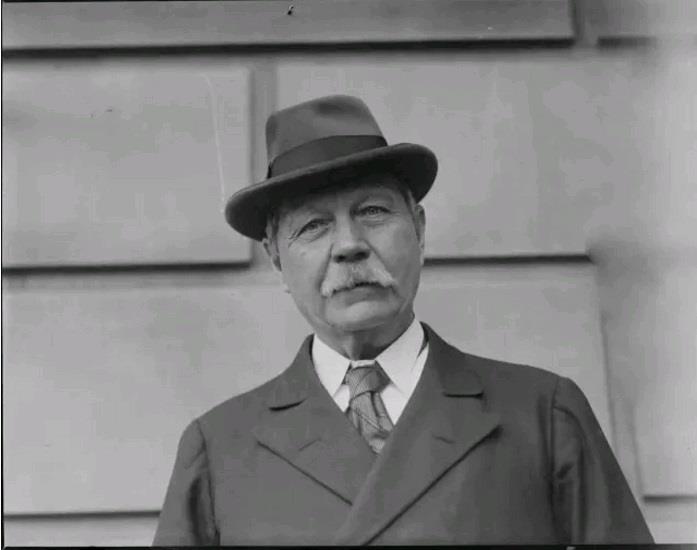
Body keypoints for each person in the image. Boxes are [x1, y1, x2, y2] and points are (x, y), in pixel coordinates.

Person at [154, 95, 653, 545]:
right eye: (313, 225)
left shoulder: (541, 414)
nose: (349, 245)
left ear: (418, 227)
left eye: (373, 211)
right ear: (276, 259)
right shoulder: (220, 448)